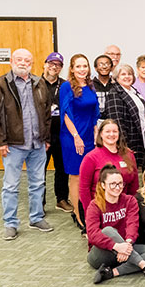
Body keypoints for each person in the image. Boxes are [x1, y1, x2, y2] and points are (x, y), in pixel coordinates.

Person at [0, 47, 53, 240]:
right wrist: (0, 141)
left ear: (32, 63)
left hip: (37, 144)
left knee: (38, 183)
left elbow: (47, 114)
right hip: (13, 145)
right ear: (11, 62)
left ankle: (37, 217)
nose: (23, 63)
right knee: (11, 186)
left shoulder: (39, 83)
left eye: (27, 60)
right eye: (19, 59)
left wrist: (46, 138)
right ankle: (11, 223)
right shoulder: (0, 84)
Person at [87, 164, 145, 284]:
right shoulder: (95, 205)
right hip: (101, 254)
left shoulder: (129, 200)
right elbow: (92, 234)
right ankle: (144, 265)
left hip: (126, 249)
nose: (117, 187)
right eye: (113, 184)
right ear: (103, 185)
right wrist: (116, 247)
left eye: (120, 183)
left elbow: (132, 225)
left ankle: (111, 273)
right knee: (108, 230)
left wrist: (127, 245)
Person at [59, 53, 101, 233]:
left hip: (89, 136)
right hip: (72, 136)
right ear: (72, 69)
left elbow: (93, 114)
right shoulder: (66, 87)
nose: (82, 69)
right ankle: (78, 215)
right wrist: (76, 136)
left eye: (85, 66)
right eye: (78, 66)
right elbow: (65, 114)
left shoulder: (90, 86)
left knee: (90, 176)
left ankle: (88, 211)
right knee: (76, 176)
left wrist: (96, 135)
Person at [78, 119, 139, 224]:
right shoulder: (91, 158)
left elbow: (134, 185)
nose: (112, 134)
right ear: (101, 134)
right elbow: (84, 189)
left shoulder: (129, 155)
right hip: (101, 210)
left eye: (115, 131)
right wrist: (90, 214)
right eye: (108, 131)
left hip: (123, 210)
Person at [103, 63, 145, 167]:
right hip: (127, 143)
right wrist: (123, 145)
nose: (127, 77)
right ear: (116, 77)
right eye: (123, 74)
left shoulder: (133, 92)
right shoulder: (114, 93)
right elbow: (117, 122)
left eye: (129, 74)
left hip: (139, 139)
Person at [41, 52, 71, 212]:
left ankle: (61, 199)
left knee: (62, 168)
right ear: (45, 64)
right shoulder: (35, 84)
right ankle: (40, 202)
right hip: (41, 136)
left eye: (58, 65)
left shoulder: (65, 85)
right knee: (39, 170)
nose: (54, 67)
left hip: (61, 134)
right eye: (51, 63)